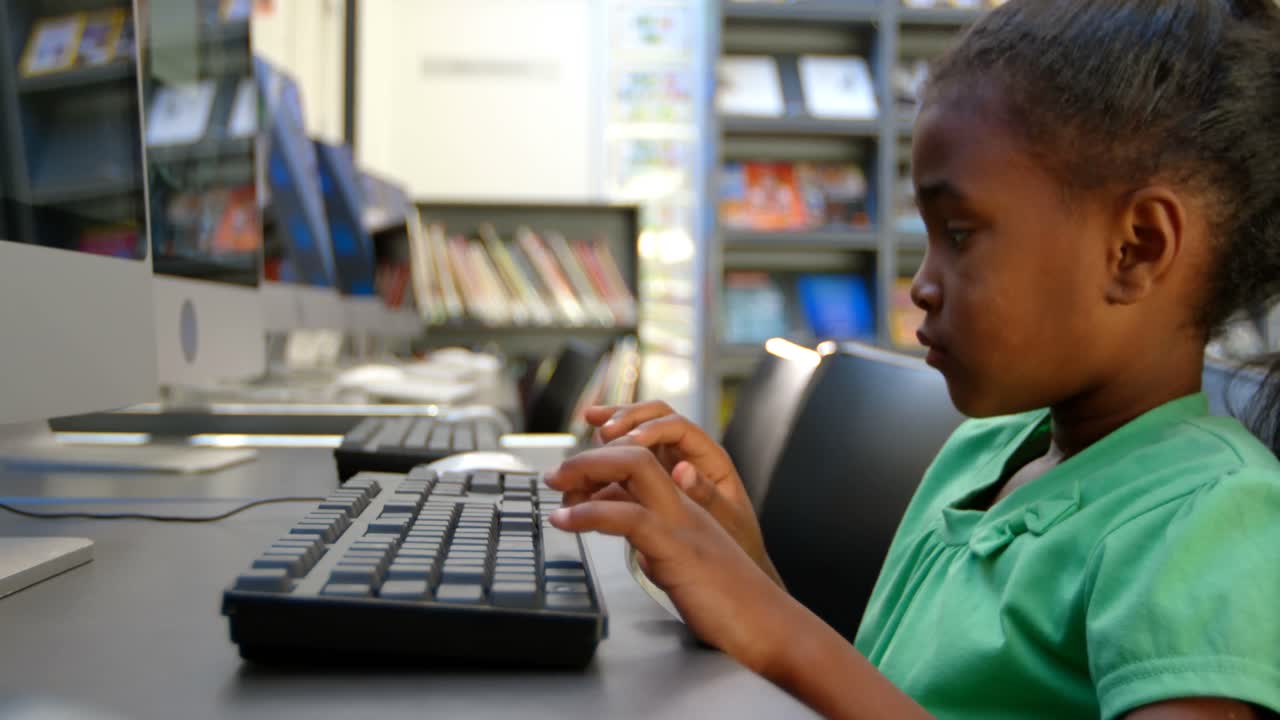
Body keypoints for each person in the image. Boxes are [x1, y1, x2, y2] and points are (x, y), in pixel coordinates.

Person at [545, 1, 1280, 718]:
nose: (921, 285)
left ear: (1136, 248)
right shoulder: (984, 450)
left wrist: (779, 633)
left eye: (959, 234)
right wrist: (742, 578)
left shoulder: (1211, 517)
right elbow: (896, 695)